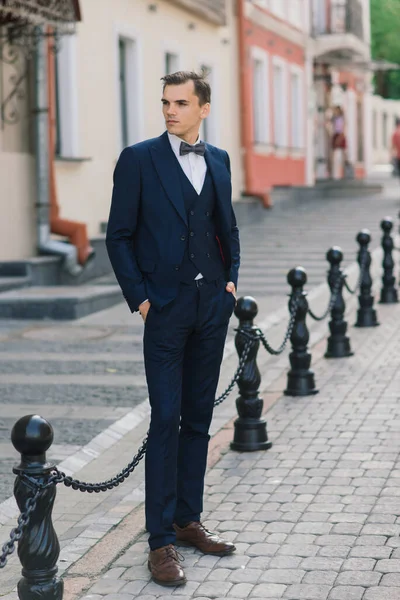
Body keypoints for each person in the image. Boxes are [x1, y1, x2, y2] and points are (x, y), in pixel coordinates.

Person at [106, 71, 240, 587]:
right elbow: (118, 236)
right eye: (165, 102)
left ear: (203, 107)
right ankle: (159, 541)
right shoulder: (138, 159)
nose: (169, 110)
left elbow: (226, 227)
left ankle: (188, 520)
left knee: (199, 418)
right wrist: (140, 299)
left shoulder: (220, 160)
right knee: (166, 418)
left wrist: (231, 283)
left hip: (211, 307)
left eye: (180, 103)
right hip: (162, 309)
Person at [331, 105, 347, 179]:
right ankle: (334, 171)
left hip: (340, 134)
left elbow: (343, 128)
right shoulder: (334, 118)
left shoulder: (341, 119)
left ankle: (345, 171)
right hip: (336, 134)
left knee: (343, 153)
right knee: (334, 152)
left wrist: (340, 138)